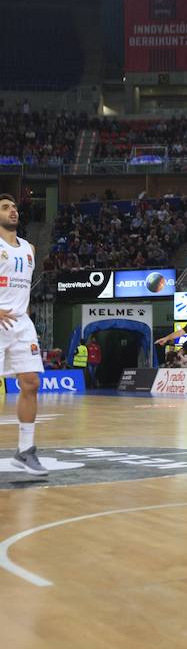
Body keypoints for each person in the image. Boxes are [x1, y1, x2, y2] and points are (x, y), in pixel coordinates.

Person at [0, 194, 47, 475]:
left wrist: (25, 314)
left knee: (30, 383)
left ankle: (25, 450)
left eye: (14, 207)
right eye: (6, 208)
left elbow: (23, 288)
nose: (13, 211)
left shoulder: (30, 248)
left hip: (21, 324)